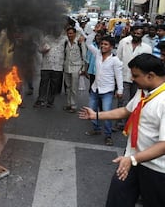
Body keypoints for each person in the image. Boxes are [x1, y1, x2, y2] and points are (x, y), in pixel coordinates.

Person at [78, 53, 165, 207]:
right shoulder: (143, 91)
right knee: (117, 199)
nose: (132, 79)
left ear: (150, 76)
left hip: (156, 169)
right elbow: (126, 111)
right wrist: (96, 115)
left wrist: (133, 159)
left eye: (136, 76)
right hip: (131, 160)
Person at [84, 31, 123, 146]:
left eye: (106, 44)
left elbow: (118, 76)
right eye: (102, 44)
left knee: (107, 113)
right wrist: (94, 31)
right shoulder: (97, 54)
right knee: (92, 109)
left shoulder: (115, 60)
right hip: (95, 89)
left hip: (107, 91)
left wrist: (120, 90)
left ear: (111, 47)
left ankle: (108, 135)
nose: (103, 46)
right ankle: (96, 128)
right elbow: (88, 43)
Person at [63, 26, 86, 113]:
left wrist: (83, 68)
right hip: (67, 67)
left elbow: (84, 56)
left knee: (73, 88)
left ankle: (73, 105)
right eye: (68, 33)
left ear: (75, 34)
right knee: (68, 87)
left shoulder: (80, 43)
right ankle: (68, 104)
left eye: (71, 33)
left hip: (76, 67)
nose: (70, 35)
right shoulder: (66, 42)